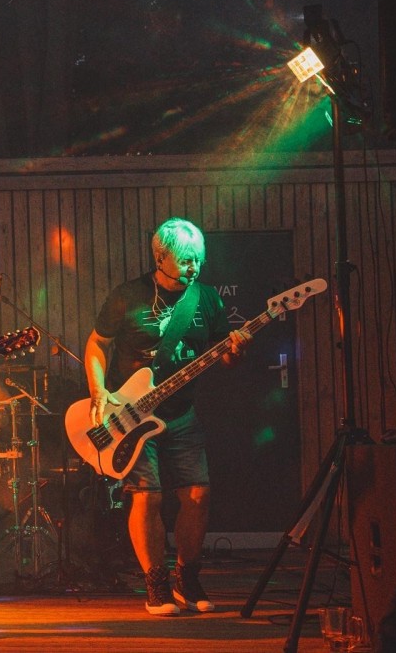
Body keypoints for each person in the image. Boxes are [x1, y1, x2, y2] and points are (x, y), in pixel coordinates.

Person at [83, 217, 250, 616]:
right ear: (160, 258)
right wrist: (98, 390)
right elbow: (96, 344)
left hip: (181, 413)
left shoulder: (206, 299)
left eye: (199, 259)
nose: (195, 267)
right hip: (133, 416)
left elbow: (223, 356)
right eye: (186, 259)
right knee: (148, 496)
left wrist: (235, 351)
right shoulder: (128, 296)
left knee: (198, 495)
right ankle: (155, 584)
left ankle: (187, 580)